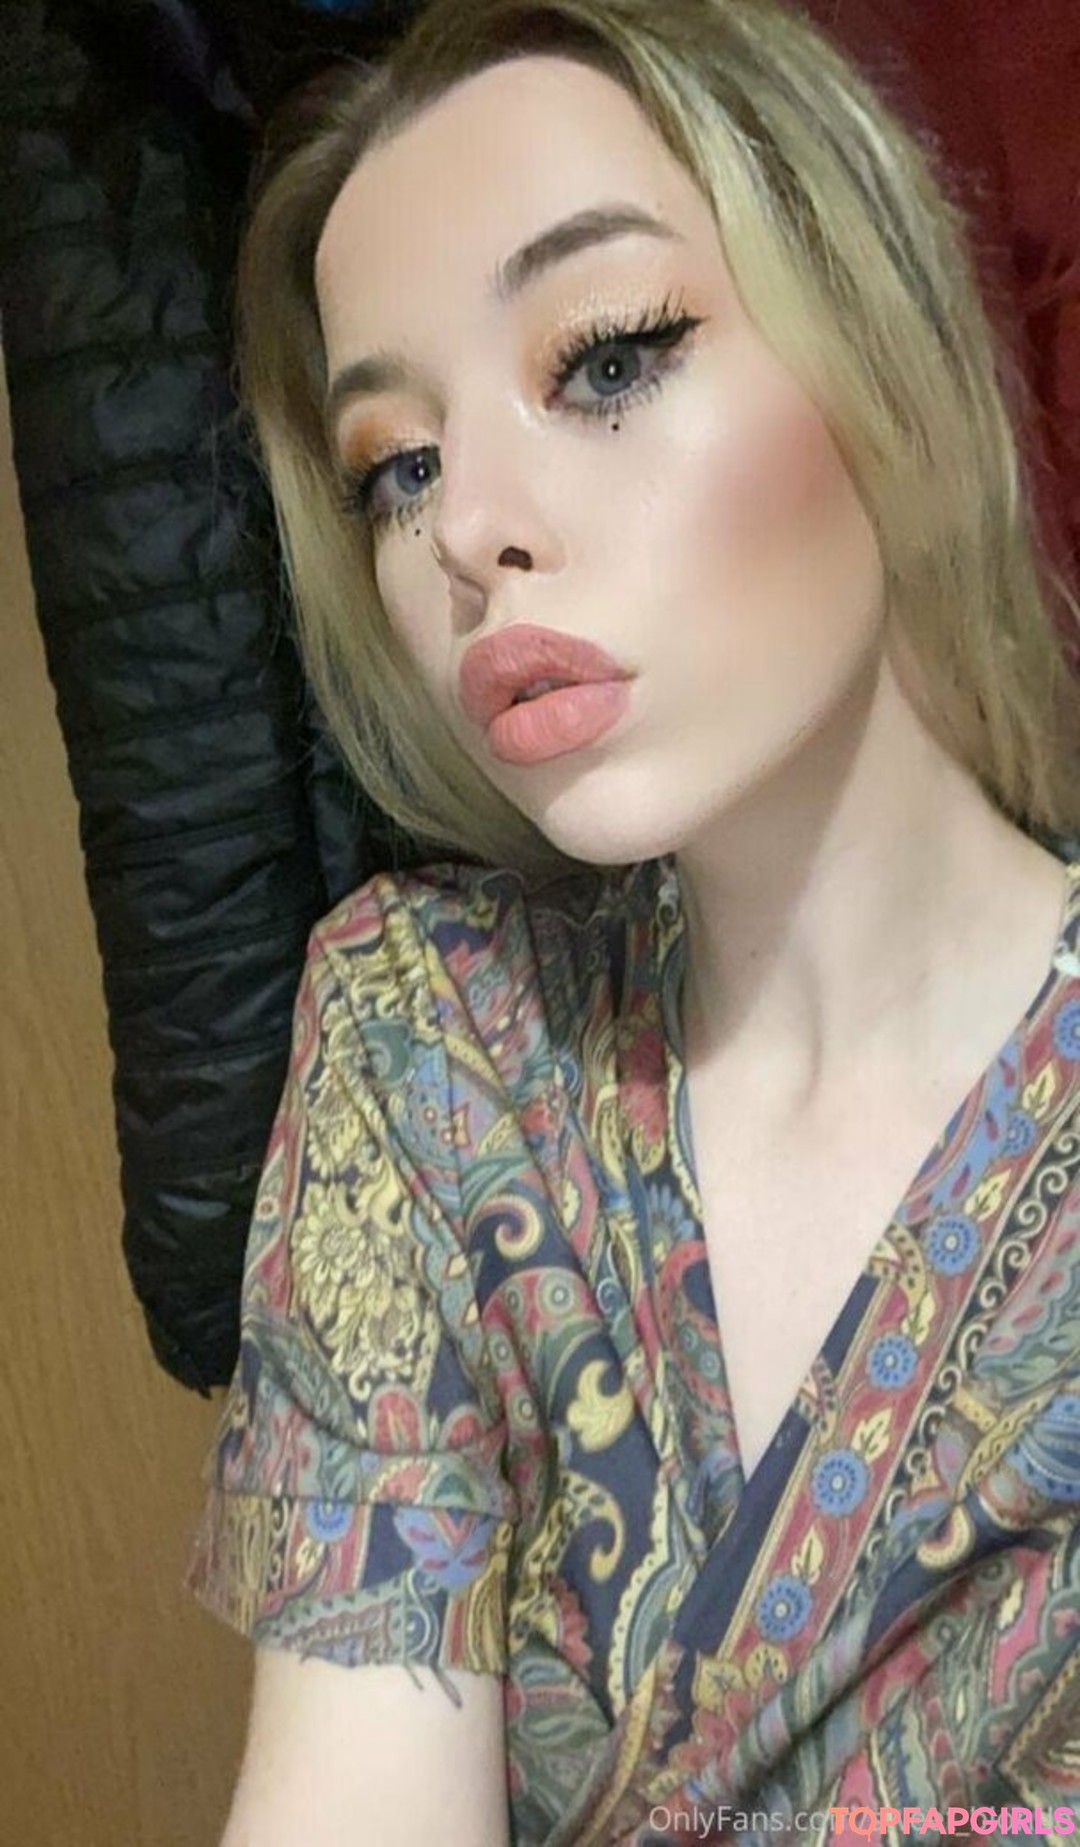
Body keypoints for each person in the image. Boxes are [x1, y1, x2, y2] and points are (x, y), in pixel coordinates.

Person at [182, 1, 1080, 1841]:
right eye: (399, 465)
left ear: (879, 339)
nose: (466, 531)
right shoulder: (430, 1042)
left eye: (605, 357)